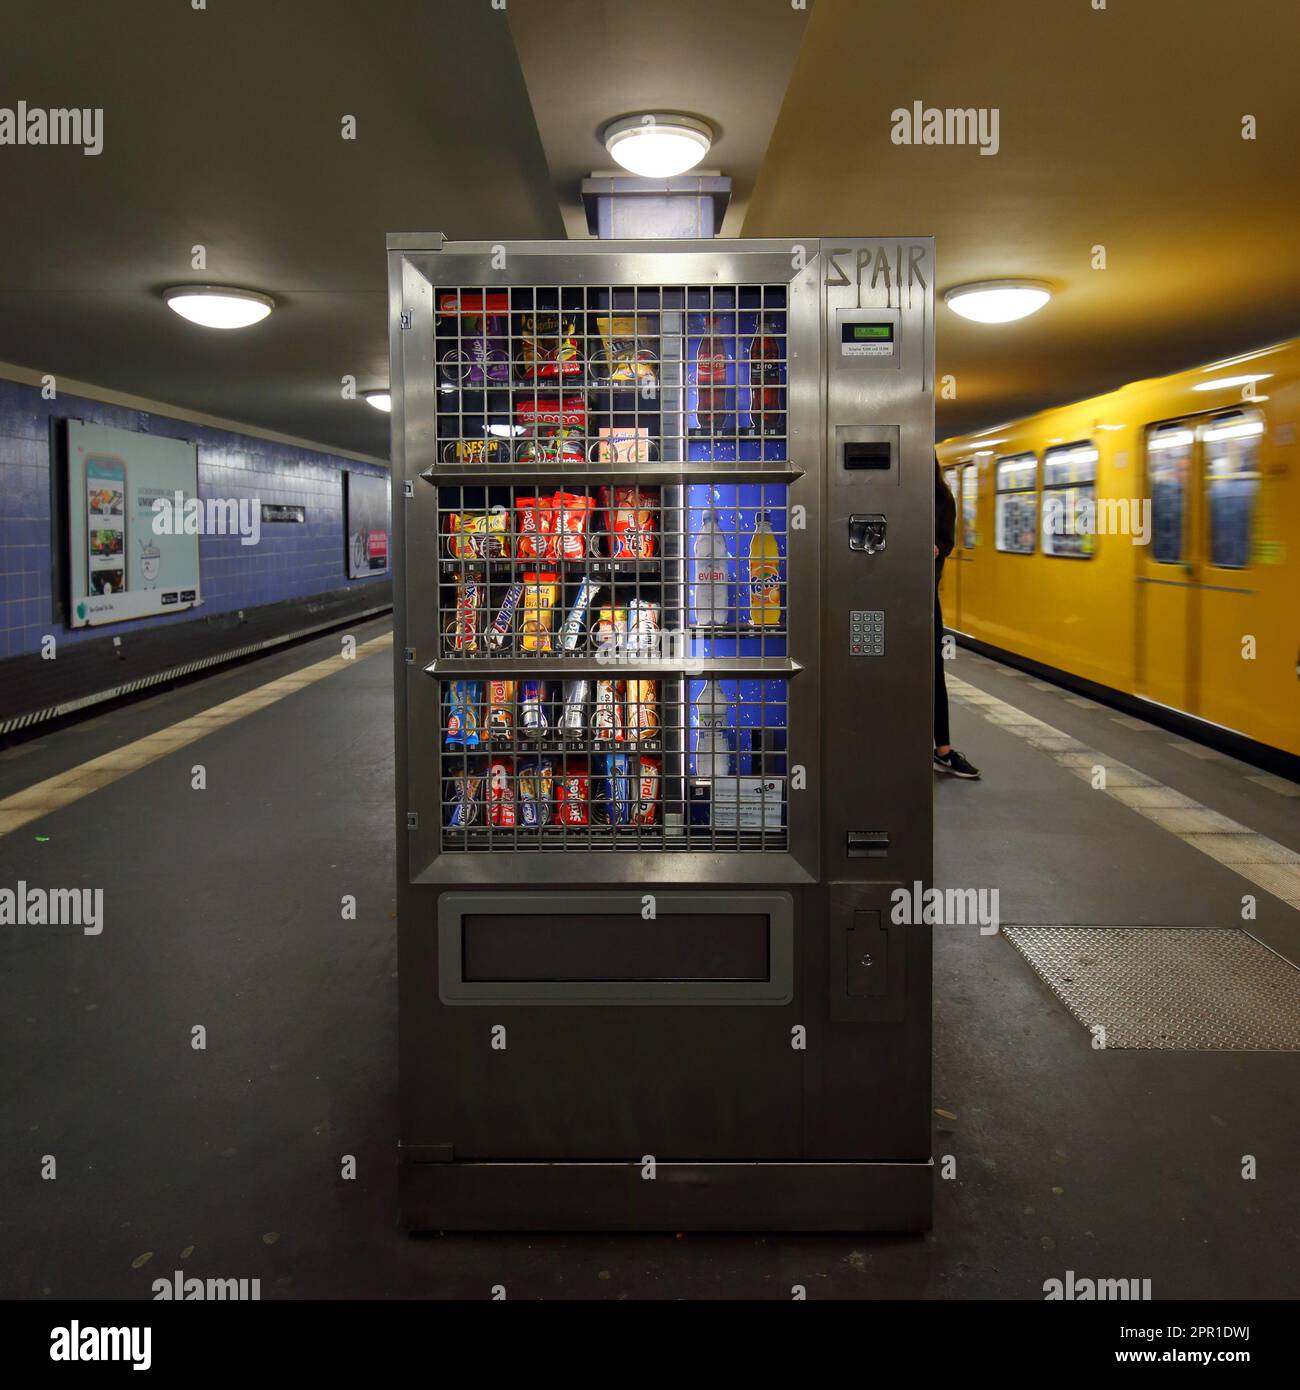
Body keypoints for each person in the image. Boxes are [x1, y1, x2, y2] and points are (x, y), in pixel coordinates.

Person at [933, 459, 981, 779]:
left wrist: (937, 547)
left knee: (933, 670)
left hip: (921, 597)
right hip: (886, 594)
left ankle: (944, 749)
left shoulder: (941, 498)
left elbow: (946, 543)